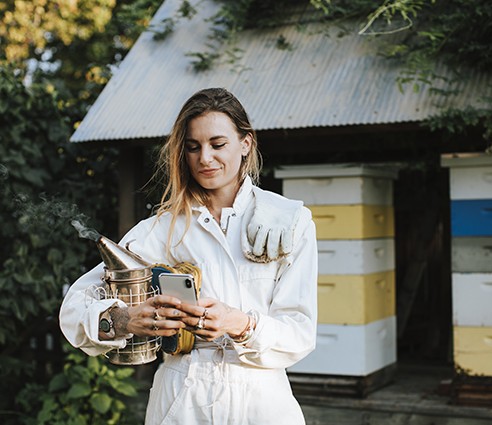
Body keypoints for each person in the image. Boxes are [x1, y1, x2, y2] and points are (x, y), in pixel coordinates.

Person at [59, 87, 318, 425]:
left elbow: (299, 333)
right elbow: (75, 307)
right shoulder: (159, 230)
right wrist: (125, 319)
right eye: (193, 147)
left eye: (218, 144)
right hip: (183, 399)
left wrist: (239, 324)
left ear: (246, 143)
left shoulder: (288, 221)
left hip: (264, 403)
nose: (205, 158)